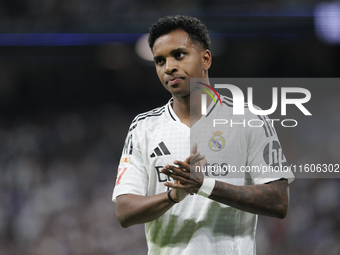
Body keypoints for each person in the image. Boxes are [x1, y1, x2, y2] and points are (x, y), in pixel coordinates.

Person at [112, 15, 294, 254]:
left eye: (179, 55)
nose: (168, 67)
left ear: (205, 58)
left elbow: (279, 201)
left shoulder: (251, 120)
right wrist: (173, 195)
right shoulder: (144, 127)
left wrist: (204, 185)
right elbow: (124, 211)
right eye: (159, 61)